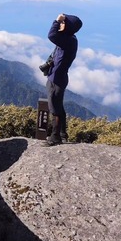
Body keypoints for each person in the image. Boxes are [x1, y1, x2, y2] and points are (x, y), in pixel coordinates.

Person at [45, 13, 82, 146]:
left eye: (63, 23)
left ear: (68, 27)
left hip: (56, 79)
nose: (61, 24)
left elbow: (51, 35)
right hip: (60, 78)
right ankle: (62, 133)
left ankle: (55, 137)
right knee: (58, 107)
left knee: (54, 108)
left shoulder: (67, 41)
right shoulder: (70, 39)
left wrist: (56, 21)